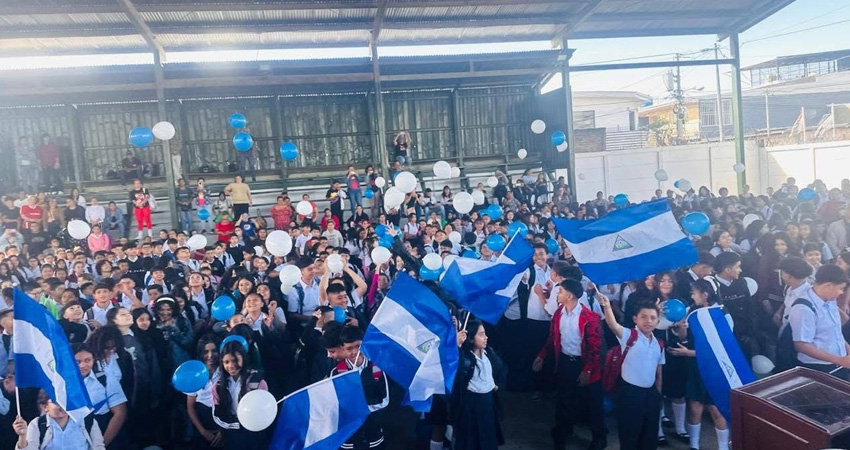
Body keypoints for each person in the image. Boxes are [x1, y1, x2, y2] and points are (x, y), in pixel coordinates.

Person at [534, 279, 606, 450]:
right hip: (566, 362)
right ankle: (563, 434)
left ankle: (599, 437)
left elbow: (595, 349)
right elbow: (553, 337)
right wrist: (542, 355)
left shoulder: (589, 318)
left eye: (560, 292)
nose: (557, 294)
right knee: (564, 400)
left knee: (592, 403)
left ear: (570, 296)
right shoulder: (559, 313)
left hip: (586, 364)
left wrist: (587, 370)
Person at [597, 291, 664, 450]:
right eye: (644, 316)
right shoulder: (629, 335)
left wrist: (658, 395)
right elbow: (613, 325)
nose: (648, 321)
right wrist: (607, 307)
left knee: (649, 435)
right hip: (630, 393)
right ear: (635, 319)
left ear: (658, 321)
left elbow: (658, 371)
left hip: (650, 394)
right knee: (629, 434)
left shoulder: (658, 343)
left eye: (653, 318)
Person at [788, 264, 850, 379]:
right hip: (819, 368)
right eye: (841, 288)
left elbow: (835, 331)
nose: (842, 293)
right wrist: (839, 360)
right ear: (828, 285)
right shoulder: (803, 308)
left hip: (838, 364)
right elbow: (802, 345)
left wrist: (847, 350)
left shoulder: (829, 300)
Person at [453, 319, 506, 450]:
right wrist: (457, 346)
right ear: (471, 339)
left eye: (485, 334)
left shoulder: (489, 353)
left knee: (488, 440)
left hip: (488, 403)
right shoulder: (465, 359)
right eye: (481, 334)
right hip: (471, 406)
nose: (485, 337)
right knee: (471, 442)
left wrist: (497, 384)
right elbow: (457, 375)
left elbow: (502, 368)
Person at [212, 340, 269, 449]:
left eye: (235, 360)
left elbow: (264, 409)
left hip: (255, 431)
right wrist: (237, 424)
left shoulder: (257, 382)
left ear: (243, 358)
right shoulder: (218, 386)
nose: (231, 366)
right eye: (226, 362)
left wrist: (251, 423)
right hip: (233, 432)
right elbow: (217, 413)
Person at [12, 390, 106, 450]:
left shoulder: (87, 421)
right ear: (45, 407)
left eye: (65, 401)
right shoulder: (37, 424)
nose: (63, 406)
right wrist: (22, 436)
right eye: (56, 402)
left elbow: (99, 447)